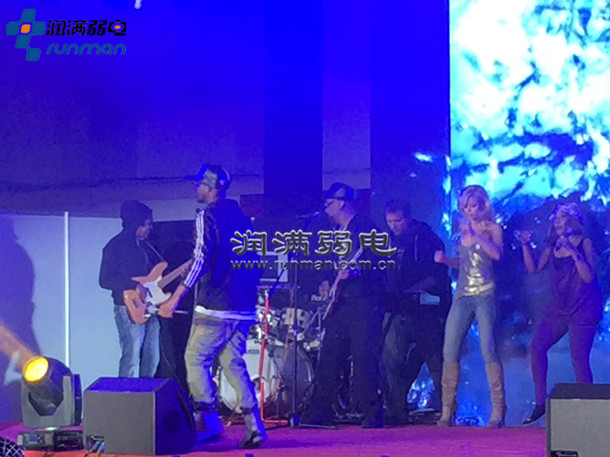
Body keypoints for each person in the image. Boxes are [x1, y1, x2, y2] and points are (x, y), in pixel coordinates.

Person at [157, 164, 266, 449]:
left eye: (199, 184)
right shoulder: (242, 218)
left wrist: (175, 298)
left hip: (216, 304)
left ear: (209, 187)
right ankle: (254, 425)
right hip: (243, 305)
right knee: (232, 361)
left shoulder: (206, 216)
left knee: (195, 358)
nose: (196, 188)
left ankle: (208, 423)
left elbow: (201, 258)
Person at [300, 182, 385, 428]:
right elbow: (333, 264)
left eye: (329, 204)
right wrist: (326, 282)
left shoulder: (365, 227)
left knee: (363, 357)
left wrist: (358, 271)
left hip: (364, 302)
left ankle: (372, 411)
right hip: (341, 302)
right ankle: (320, 410)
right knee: (329, 355)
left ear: (342, 203)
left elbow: (381, 262)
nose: (326, 209)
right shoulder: (336, 231)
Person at [518, 203, 602, 425]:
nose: (556, 222)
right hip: (560, 308)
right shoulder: (552, 247)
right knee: (537, 347)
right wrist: (525, 246)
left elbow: (587, 277)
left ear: (573, 220)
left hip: (583, 308)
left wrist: (574, 253)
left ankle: (588, 411)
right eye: (555, 218)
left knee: (579, 359)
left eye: (561, 217)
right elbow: (534, 269)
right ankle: (540, 403)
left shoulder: (585, 243)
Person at [434, 185, 506, 428]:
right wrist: (446, 260)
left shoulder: (493, 228)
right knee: (449, 348)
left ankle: (498, 411)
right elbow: (464, 262)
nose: (470, 211)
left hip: (485, 293)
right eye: (465, 207)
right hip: (462, 295)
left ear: (483, 205)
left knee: (488, 348)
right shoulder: (461, 230)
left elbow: (497, 255)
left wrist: (477, 236)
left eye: (473, 206)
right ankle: (447, 410)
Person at [381, 200, 451, 425]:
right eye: (390, 221)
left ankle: (448, 411)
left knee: (434, 362)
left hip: (425, 310)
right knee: (393, 361)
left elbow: (438, 274)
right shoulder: (385, 240)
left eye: (398, 220)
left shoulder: (427, 238)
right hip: (396, 308)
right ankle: (397, 411)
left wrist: (415, 290)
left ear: (408, 218)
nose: (394, 225)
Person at [99, 200, 163, 378]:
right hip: (127, 308)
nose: (150, 228)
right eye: (147, 224)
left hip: (148, 306)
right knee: (132, 356)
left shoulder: (144, 246)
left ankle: (146, 391)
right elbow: (104, 280)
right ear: (136, 223)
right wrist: (134, 285)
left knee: (152, 357)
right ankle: (125, 392)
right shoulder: (114, 246)